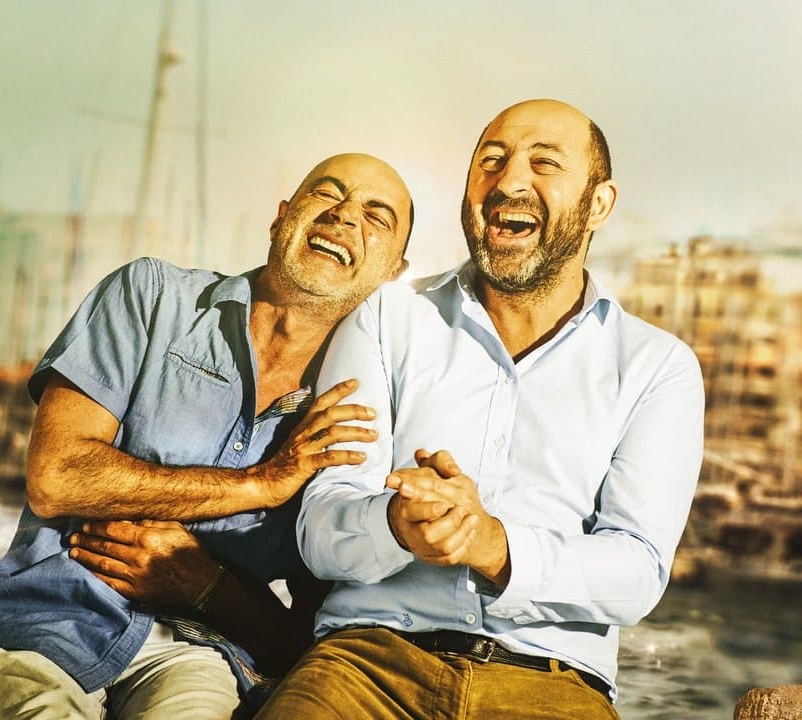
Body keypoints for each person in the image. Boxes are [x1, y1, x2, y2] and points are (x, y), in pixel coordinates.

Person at [259, 100, 705, 719]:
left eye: (543, 163)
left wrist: (491, 543)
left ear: (599, 204)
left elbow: (637, 571)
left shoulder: (658, 366)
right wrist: (396, 525)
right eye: (490, 160)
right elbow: (320, 528)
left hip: (553, 687)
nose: (508, 181)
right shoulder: (386, 318)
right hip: (364, 667)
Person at [0, 153, 415, 719]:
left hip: (203, 659)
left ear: (394, 273)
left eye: (377, 216)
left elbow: (310, 638)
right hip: (45, 630)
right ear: (281, 219)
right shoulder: (149, 296)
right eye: (327, 193)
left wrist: (208, 587)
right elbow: (57, 477)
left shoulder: (359, 413)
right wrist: (260, 484)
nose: (344, 215)